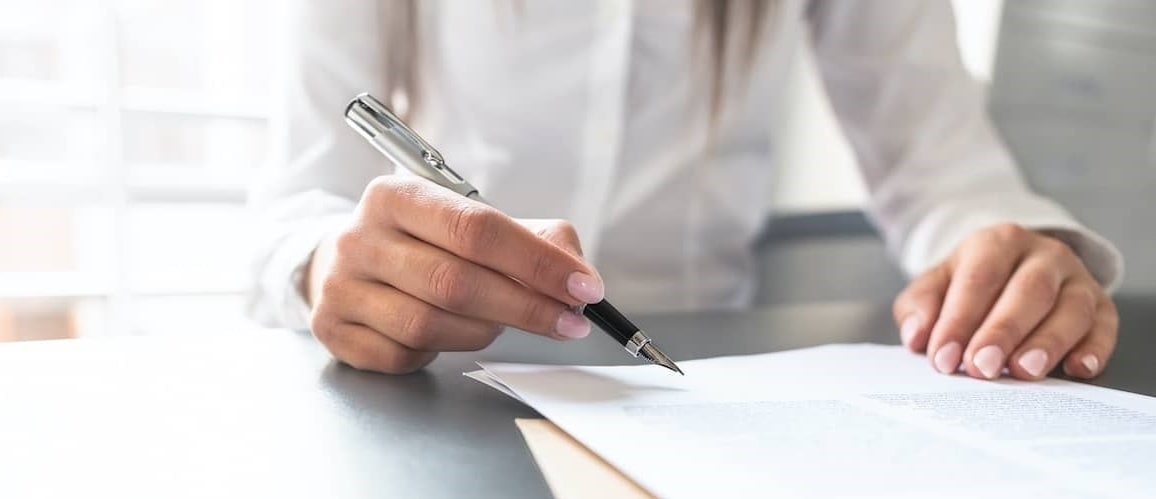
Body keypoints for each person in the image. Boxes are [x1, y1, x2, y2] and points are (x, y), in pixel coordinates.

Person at [247, 0, 1124, 381]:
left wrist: (1007, 257)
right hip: (436, 377)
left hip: (708, 388)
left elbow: (940, 164)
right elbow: (292, 211)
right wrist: (331, 264)